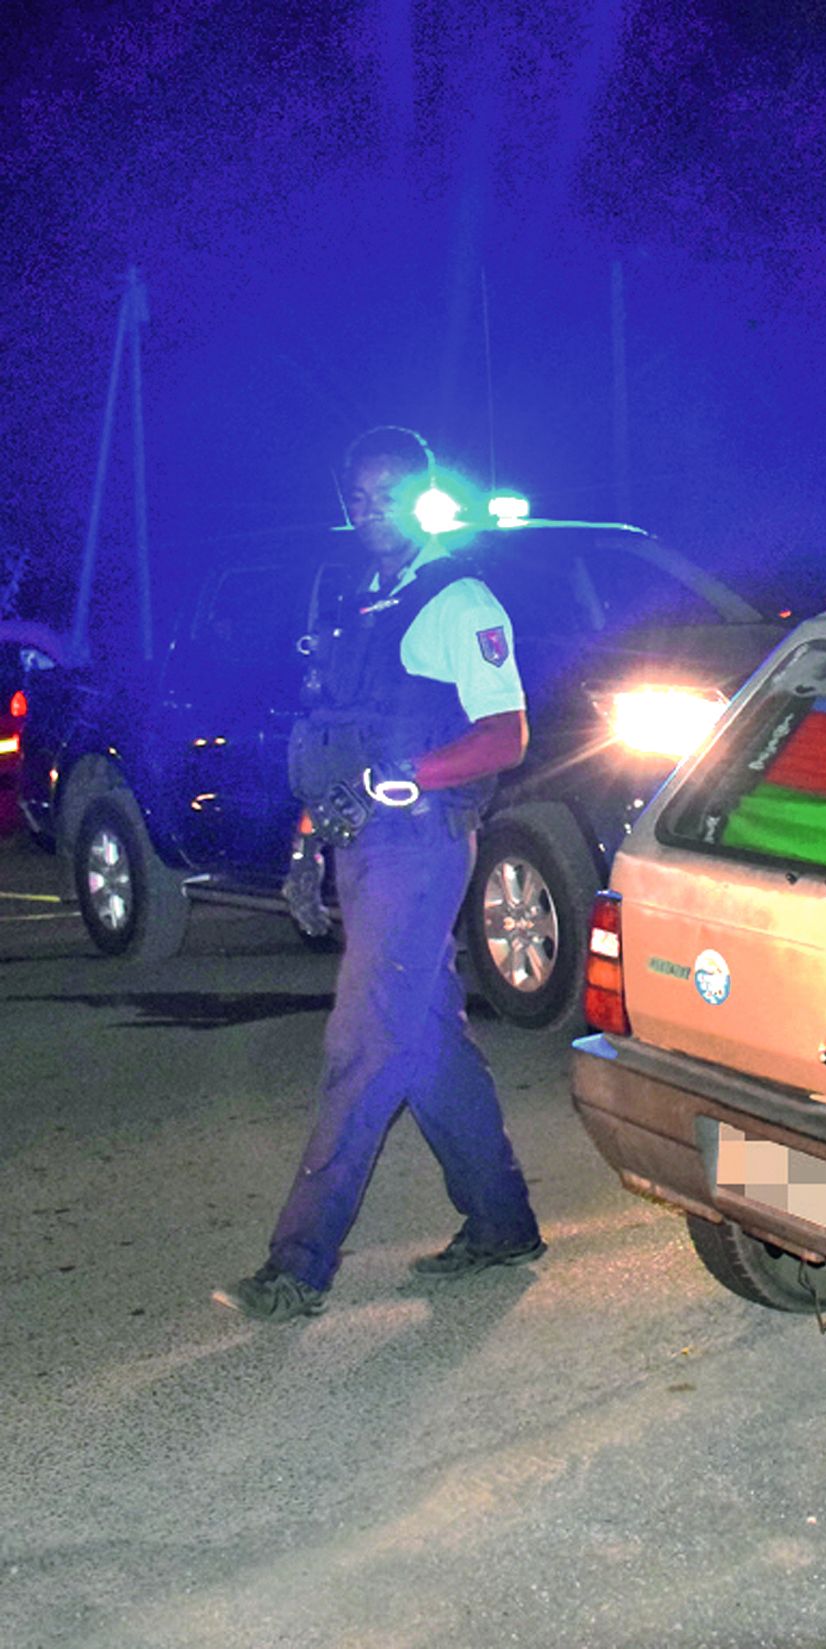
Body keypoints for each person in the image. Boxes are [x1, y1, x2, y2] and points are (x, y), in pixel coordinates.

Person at [214, 426, 543, 1322]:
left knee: (361, 1045)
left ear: (424, 495)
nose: (370, 509)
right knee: (425, 1037)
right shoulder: (364, 597)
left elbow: (505, 735)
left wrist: (409, 778)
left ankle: (298, 1263)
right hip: (366, 848)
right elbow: (338, 738)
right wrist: (308, 840)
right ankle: (502, 1220)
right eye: (357, 495)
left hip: (422, 845)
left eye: (388, 492)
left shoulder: (457, 596)